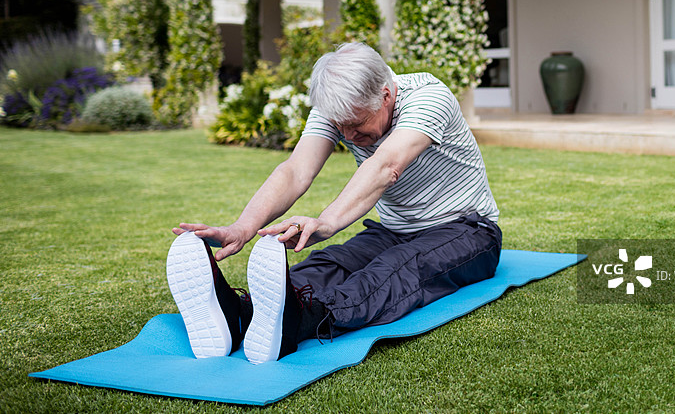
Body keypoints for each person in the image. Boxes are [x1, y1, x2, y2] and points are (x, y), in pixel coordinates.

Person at [166, 42, 501, 364]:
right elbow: (296, 171)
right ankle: (238, 315)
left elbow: (385, 166)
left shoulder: (429, 97)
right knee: (329, 263)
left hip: (468, 231)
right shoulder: (339, 107)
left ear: (385, 95)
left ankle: (299, 321)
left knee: (396, 269)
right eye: (342, 126)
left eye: (356, 125)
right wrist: (242, 227)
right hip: (394, 229)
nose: (348, 136)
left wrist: (326, 222)